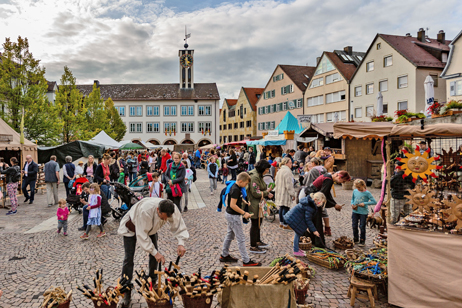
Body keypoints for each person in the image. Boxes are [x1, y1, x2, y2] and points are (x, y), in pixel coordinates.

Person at [118, 198, 188, 308]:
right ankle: (126, 289)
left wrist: (181, 243)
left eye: (167, 218)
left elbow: (178, 225)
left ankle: (152, 281)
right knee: (129, 258)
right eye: (163, 217)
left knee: (155, 257)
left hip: (151, 229)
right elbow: (142, 236)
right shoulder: (145, 211)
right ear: (157, 210)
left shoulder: (171, 208)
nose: (165, 220)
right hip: (131, 227)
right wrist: (156, 253)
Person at [220, 172, 261, 266]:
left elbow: (236, 198)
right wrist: (244, 213)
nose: (246, 185)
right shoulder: (235, 189)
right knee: (241, 238)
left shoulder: (236, 187)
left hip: (230, 215)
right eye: (246, 183)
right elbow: (232, 205)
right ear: (241, 181)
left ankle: (224, 255)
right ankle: (246, 261)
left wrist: (245, 201)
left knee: (229, 235)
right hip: (233, 216)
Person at [304, 171, 351, 246]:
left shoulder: (328, 177)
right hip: (313, 199)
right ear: (339, 177)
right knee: (317, 221)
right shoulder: (328, 180)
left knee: (313, 220)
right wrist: (334, 205)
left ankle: (311, 240)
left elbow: (327, 193)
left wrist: (334, 204)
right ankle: (317, 242)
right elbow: (322, 195)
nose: (343, 183)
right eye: (343, 181)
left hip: (312, 197)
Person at [284, 192, 326, 256]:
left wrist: (309, 228)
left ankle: (296, 248)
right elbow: (308, 220)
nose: (320, 205)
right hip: (294, 219)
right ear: (315, 200)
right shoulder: (310, 207)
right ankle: (296, 251)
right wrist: (314, 231)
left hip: (294, 218)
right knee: (298, 234)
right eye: (320, 203)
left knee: (297, 234)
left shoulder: (309, 203)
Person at [247, 160, 273, 254]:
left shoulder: (258, 174)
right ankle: (253, 246)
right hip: (254, 204)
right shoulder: (254, 176)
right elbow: (255, 192)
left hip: (258, 203)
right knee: (255, 224)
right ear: (263, 169)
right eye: (266, 169)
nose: (267, 171)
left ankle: (257, 241)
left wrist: (267, 192)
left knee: (258, 223)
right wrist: (266, 192)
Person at [351, 179, 377, 246]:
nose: (358, 189)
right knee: (354, 225)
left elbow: (374, 202)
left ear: (363, 185)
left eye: (359, 187)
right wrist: (352, 204)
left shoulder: (367, 193)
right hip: (355, 211)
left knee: (362, 226)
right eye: (357, 187)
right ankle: (355, 238)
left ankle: (362, 240)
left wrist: (365, 203)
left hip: (363, 212)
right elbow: (352, 199)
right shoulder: (355, 191)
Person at [275, 157, 297, 229]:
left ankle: (281, 223)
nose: (291, 164)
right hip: (285, 192)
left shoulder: (280, 170)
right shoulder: (287, 171)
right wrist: (293, 194)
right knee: (286, 208)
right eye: (290, 163)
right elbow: (289, 184)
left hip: (280, 191)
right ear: (286, 163)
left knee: (282, 207)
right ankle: (285, 224)